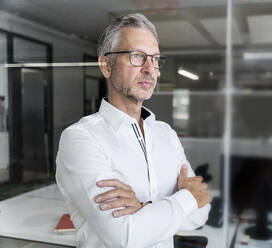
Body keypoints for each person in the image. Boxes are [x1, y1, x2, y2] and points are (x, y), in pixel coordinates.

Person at [56, 13, 211, 248]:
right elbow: (125, 236)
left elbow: (202, 212)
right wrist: (187, 198)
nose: (150, 69)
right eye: (137, 56)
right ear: (106, 65)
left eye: (156, 59)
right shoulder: (81, 138)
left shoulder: (165, 134)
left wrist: (143, 209)